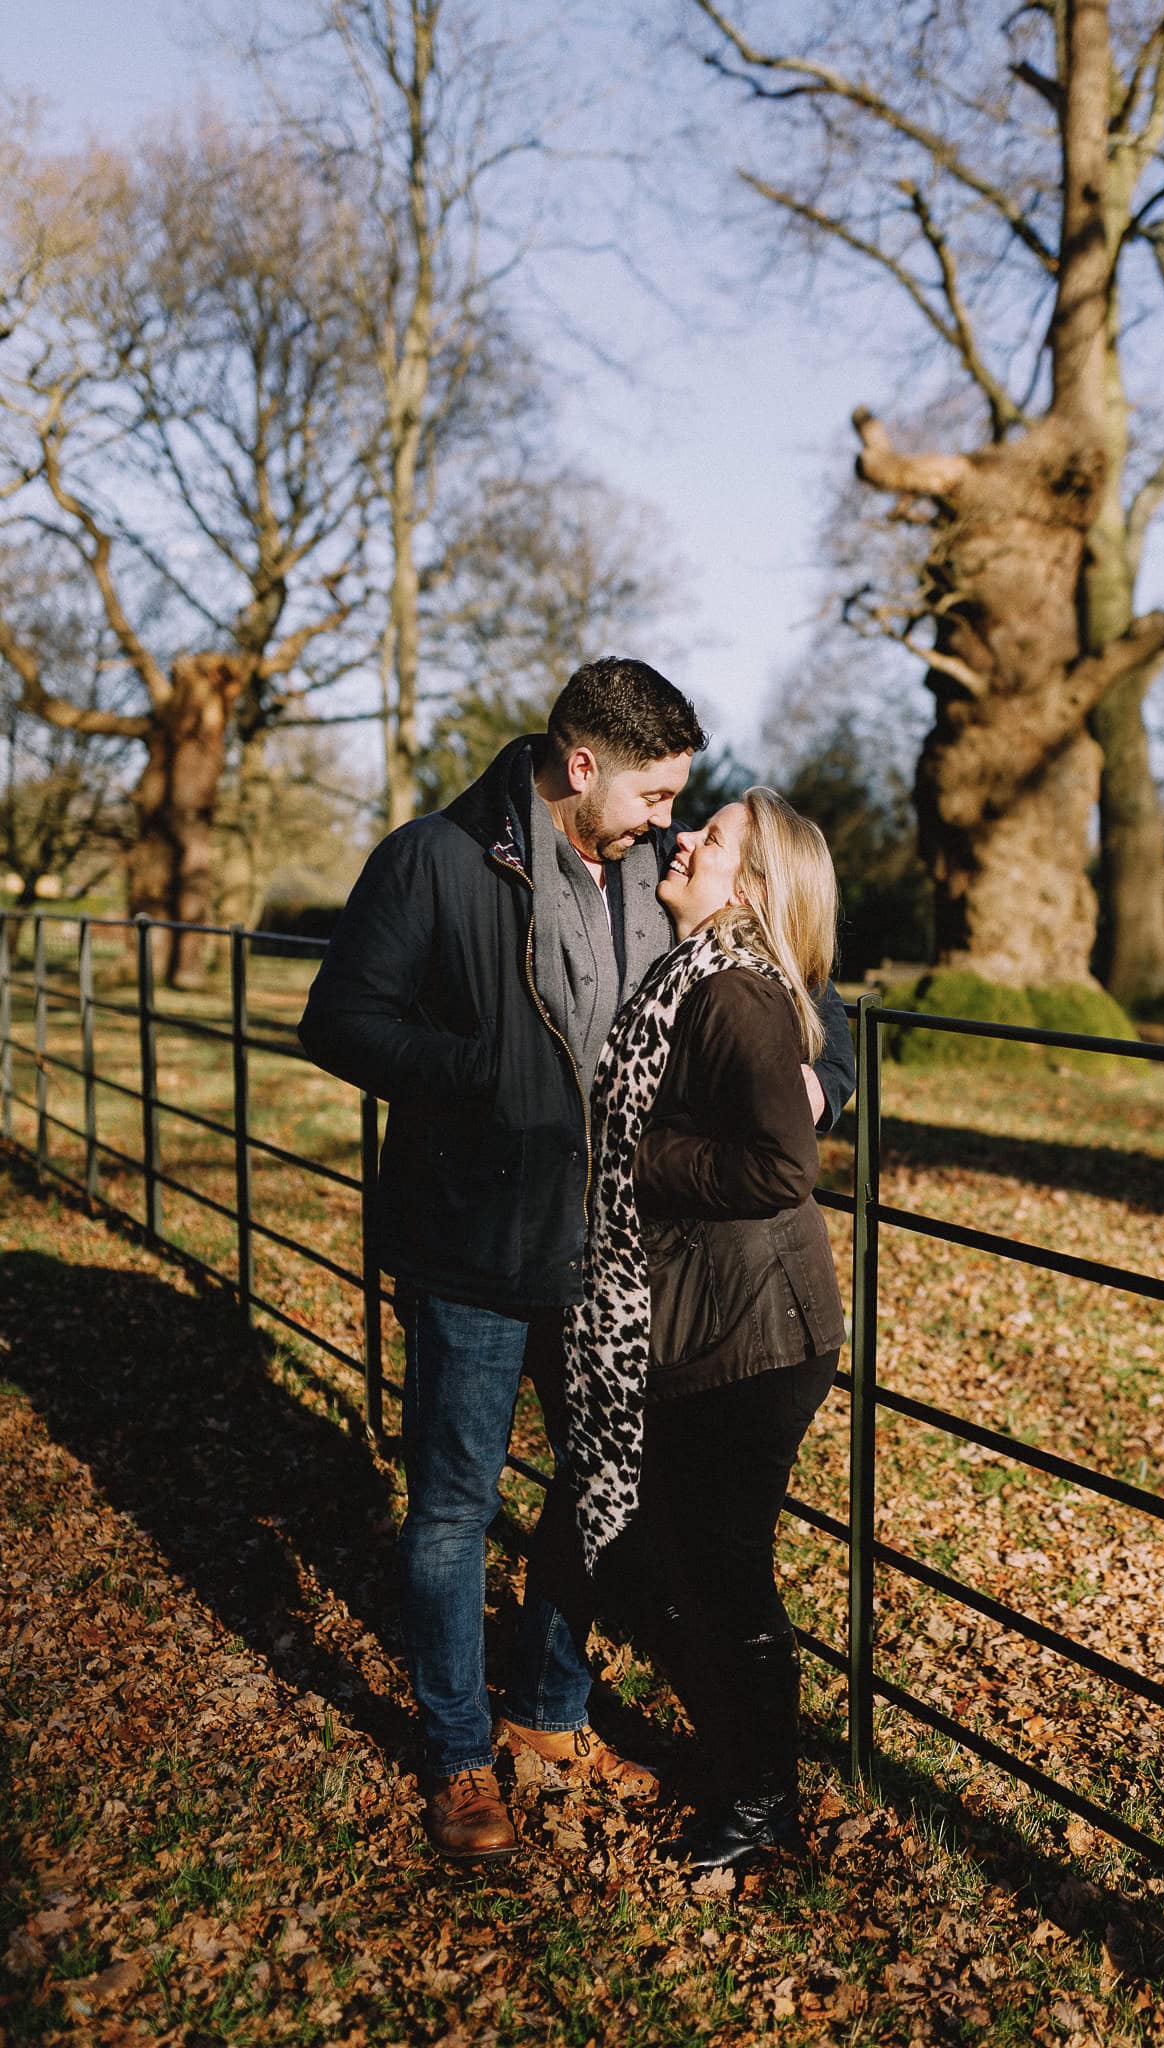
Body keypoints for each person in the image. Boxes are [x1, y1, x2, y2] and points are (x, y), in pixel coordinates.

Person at [297, 659, 855, 1864]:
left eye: (681, 805)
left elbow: (794, 969)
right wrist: (475, 1077)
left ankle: (549, 1709)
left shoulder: (663, 877)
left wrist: (829, 1082)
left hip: (618, 1267)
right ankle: (454, 1751)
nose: (669, 820)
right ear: (582, 764)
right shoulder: (435, 859)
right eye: (655, 795)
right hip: (477, 1243)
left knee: (599, 1487)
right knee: (454, 1501)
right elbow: (339, 1015)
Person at [563, 787, 846, 1873]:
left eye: (713, 836)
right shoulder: (693, 975)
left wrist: (638, 1161)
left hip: (752, 1334)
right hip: (709, 1319)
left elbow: (783, 1164)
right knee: (687, 1558)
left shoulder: (733, 991)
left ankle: (760, 1797)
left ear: (756, 885)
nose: (686, 839)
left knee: (720, 1571)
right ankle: (748, 1770)